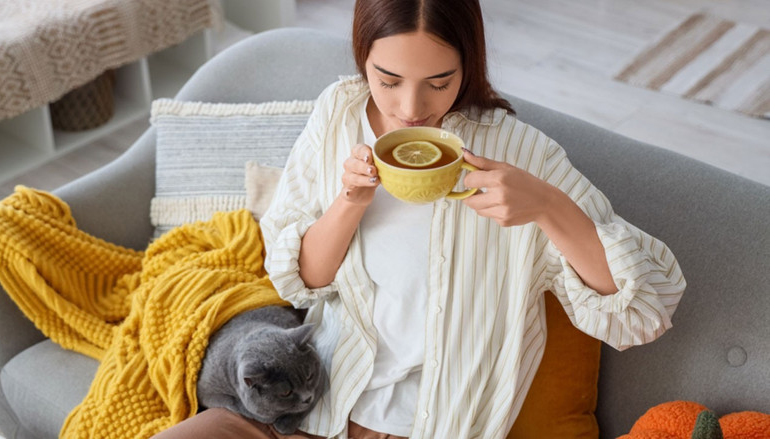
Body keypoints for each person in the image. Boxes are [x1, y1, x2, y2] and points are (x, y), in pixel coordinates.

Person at [155, 0, 686, 438]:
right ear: (363, 58)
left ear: (469, 63)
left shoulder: (521, 154)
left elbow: (646, 308)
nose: (410, 107)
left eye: (439, 81)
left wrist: (548, 206)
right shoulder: (339, 112)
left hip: (431, 426)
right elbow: (302, 283)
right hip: (305, 410)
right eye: (387, 80)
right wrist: (350, 202)